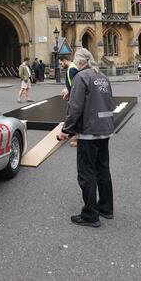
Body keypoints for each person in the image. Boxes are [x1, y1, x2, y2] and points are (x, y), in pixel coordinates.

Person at [56, 48, 115, 227]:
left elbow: (75, 108)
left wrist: (66, 130)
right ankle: (106, 208)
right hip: (105, 129)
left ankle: (90, 214)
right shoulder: (102, 77)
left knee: (86, 172)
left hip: (89, 131)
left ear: (80, 62)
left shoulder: (81, 77)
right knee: (102, 169)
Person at [60, 53, 80, 146]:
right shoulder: (71, 68)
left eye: (61, 63)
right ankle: (72, 134)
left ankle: (77, 138)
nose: (61, 65)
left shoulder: (72, 69)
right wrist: (68, 92)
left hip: (75, 98)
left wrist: (70, 93)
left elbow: (76, 85)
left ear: (64, 60)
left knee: (73, 116)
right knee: (70, 114)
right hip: (73, 96)